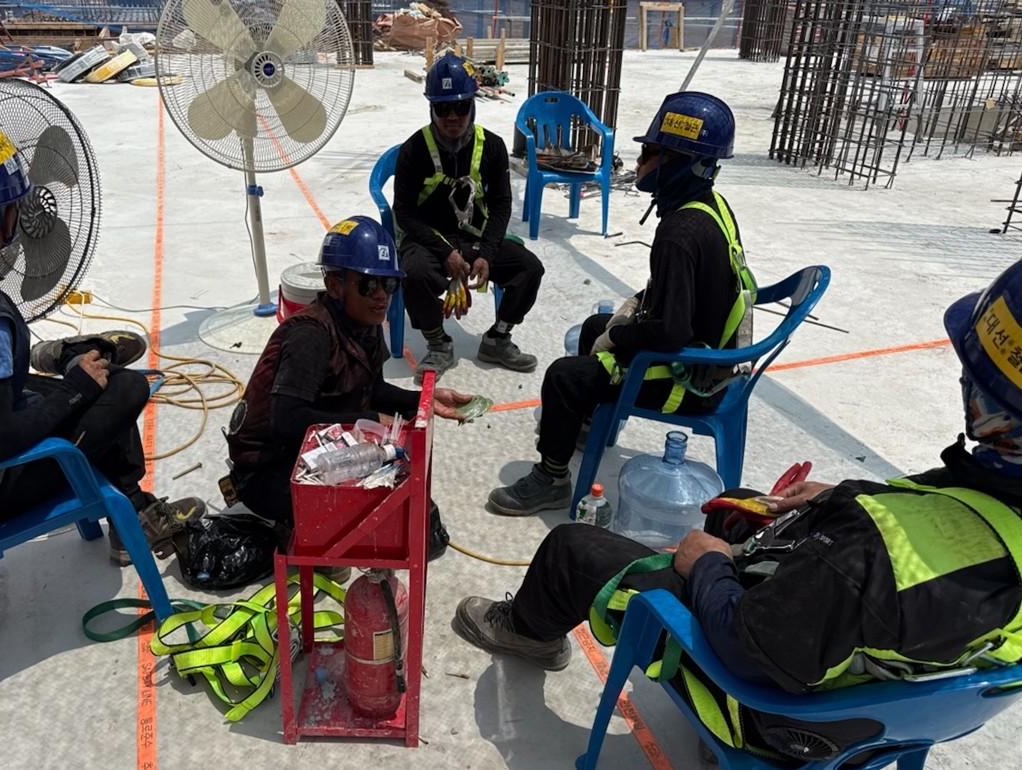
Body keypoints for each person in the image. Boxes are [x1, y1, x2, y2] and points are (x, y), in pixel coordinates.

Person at [454, 261, 1022, 760]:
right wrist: (840, 496)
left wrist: (708, 564)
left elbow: (749, 649)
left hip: (773, 713)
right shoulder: (998, 501)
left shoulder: (865, 555)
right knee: (736, 509)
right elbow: (938, 525)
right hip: (878, 709)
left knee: (571, 549)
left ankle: (528, 632)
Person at [488, 92, 753, 516]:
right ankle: (587, 422)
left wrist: (622, 336)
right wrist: (626, 316)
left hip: (688, 380)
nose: (641, 161)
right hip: (712, 359)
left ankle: (551, 479)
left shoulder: (679, 233)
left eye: (649, 152)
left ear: (678, 161)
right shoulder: (710, 206)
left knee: (563, 377)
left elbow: (671, 333)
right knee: (595, 327)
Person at [0, 120, 205, 566]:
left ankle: (69, 358)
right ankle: (134, 511)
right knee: (123, 387)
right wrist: (73, 393)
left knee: (93, 375)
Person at [225, 215, 472, 562]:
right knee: (397, 506)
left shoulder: (364, 323)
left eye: (389, 284)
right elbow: (286, 421)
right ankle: (302, 533)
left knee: (414, 510)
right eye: (368, 285)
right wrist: (366, 419)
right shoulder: (311, 335)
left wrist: (424, 401)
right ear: (334, 286)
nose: (381, 296)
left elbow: (373, 389)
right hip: (267, 471)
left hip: (310, 450)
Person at [393, 51, 544, 383]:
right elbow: (404, 212)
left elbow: (502, 205)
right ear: (431, 108)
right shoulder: (414, 149)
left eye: (460, 107)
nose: (452, 117)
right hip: (429, 240)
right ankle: (437, 342)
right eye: (442, 108)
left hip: (473, 238)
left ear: (473, 104)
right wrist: (444, 252)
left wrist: (487, 253)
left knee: (529, 268)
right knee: (414, 273)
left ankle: (497, 338)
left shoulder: (492, 146)